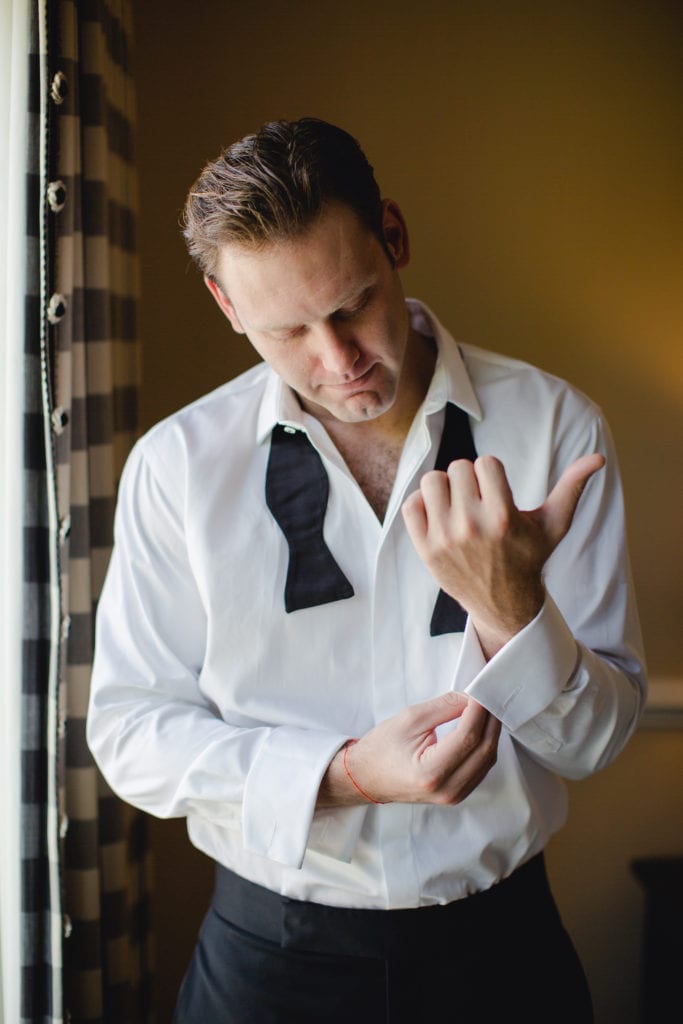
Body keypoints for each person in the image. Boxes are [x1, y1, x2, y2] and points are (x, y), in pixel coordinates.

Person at [87, 118, 646, 1023]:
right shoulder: (176, 465)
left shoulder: (553, 429)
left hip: (501, 963)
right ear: (227, 309)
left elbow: (592, 745)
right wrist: (341, 776)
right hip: (268, 965)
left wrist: (512, 615)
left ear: (393, 236)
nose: (337, 361)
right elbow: (130, 732)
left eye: (352, 305)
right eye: (287, 331)